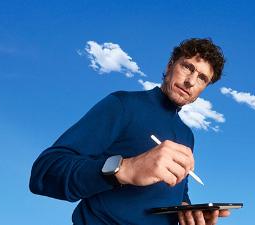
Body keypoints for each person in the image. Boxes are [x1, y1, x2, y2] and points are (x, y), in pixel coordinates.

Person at [29, 38, 229, 225]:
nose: (191, 82)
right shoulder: (123, 105)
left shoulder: (187, 136)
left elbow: (178, 191)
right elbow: (45, 172)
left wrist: (186, 209)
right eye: (187, 67)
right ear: (170, 65)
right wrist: (125, 169)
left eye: (202, 78)